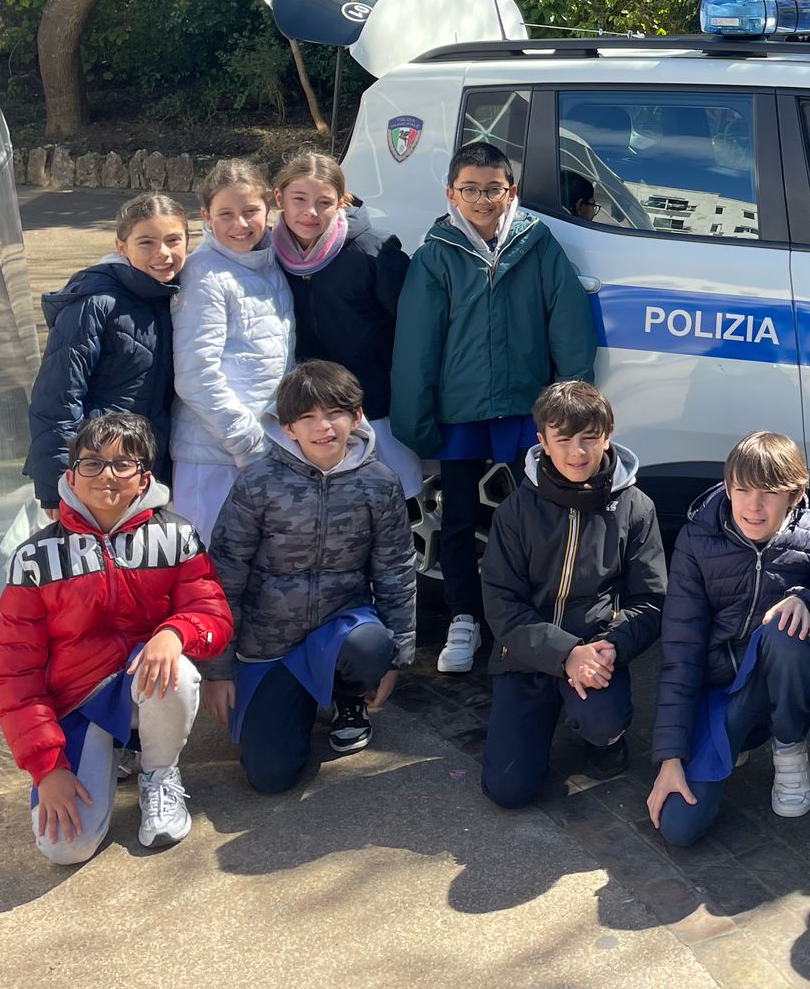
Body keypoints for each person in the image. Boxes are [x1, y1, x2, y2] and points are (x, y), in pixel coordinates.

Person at [392, 141, 598, 677]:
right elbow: (416, 344)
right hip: (459, 411)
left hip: (526, 409)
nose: (482, 200)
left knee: (538, 513)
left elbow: (569, 323)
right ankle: (464, 616)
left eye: (492, 189)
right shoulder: (436, 253)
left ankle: (533, 617)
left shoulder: (537, 244)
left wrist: (572, 405)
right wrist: (413, 418)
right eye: (470, 190)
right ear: (451, 194)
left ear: (510, 192)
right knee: (458, 518)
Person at [0, 411, 230, 864]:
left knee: (174, 668)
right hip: (77, 701)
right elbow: (13, 673)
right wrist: (47, 767)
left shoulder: (177, 535)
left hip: (143, 685)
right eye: (93, 463)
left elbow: (212, 612)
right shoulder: (35, 557)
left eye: (124, 464)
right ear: (70, 476)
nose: (108, 475)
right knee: (64, 848)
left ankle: (159, 774)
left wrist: (175, 633)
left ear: (144, 478)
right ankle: (111, 749)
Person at [203, 360, 417, 793]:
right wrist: (217, 671)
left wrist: (394, 660)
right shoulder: (259, 483)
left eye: (335, 412)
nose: (323, 427)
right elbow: (224, 575)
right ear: (288, 429)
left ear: (356, 417)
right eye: (307, 417)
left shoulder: (379, 483)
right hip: (269, 645)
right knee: (270, 777)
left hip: (341, 633)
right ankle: (293, 701)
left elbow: (395, 570)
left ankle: (348, 697)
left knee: (371, 646)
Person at [648, 432, 810, 846]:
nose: (753, 506)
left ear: (796, 494)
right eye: (741, 490)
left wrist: (806, 602)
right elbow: (681, 652)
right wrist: (671, 756)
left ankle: (789, 747)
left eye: (769, 493)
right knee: (679, 826)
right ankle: (741, 734)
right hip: (721, 688)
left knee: (786, 629)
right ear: (727, 486)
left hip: (780, 676)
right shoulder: (696, 538)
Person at [479, 380, 666, 809]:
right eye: (563, 439)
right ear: (542, 441)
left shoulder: (636, 508)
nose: (577, 453)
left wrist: (608, 648)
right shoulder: (516, 512)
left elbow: (652, 599)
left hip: (598, 651)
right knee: (508, 790)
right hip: (526, 656)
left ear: (608, 434)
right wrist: (564, 655)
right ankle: (543, 715)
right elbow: (502, 603)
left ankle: (604, 737)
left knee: (602, 720)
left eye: (589, 439)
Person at [25, 192, 187, 513]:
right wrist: (55, 487)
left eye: (173, 240)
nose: (163, 253)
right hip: (97, 475)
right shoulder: (94, 303)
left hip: (147, 472)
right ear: (121, 247)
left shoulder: (176, 296)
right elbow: (57, 398)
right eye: (146, 242)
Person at [269, 150, 417, 499]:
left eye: (324, 202)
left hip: (375, 406)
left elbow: (411, 329)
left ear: (341, 201)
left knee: (394, 500)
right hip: (309, 412)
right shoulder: (266, 255)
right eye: (299, 200)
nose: (310, 212)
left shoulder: (373, 251)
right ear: (279, 198)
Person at [170, 159, 295, 541]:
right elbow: (196, 376)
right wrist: (248, 443)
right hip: (214, 455)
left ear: (268, 209)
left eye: (250, 212)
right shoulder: (204, 275)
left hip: (266, 451)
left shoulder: (272, 263)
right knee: (209, 577)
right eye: (226, 214)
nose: (240, 225)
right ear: (206, 216)